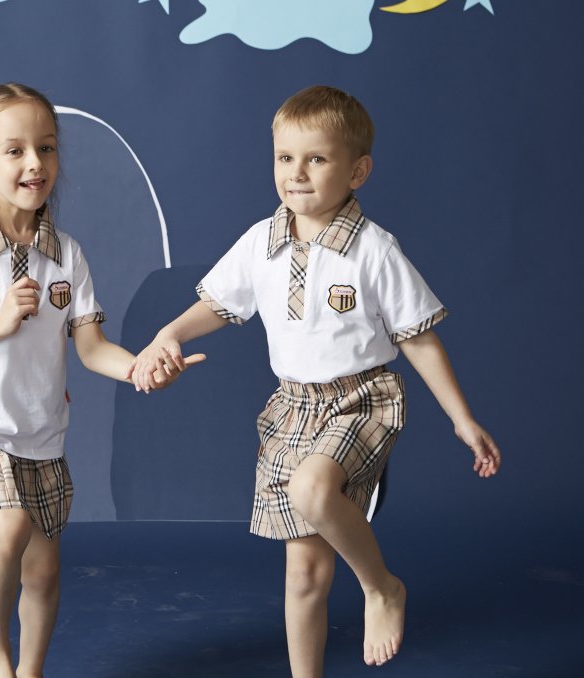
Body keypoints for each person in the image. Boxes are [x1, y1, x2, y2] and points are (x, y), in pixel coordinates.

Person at [130, 85, 502, 676]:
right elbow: (220, 305)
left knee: (310, 490)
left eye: (317, 159)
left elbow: (418, 337)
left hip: (362, 401)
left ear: (357, 171)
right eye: (285, 158)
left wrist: (463, 418)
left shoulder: (374, 250)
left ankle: (382, 588)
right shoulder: (262, 241)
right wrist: (169, 333)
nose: (296, 173)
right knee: (304, 573)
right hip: (293, 409)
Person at [0, 83, 200, 678]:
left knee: (42, 570)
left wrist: (140, 368)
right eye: (14, 150)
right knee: (9, 525)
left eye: (45, 148)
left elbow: (91, 348)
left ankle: (31, 669)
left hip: (37, 431)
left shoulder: (66, 255)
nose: (34, 163)